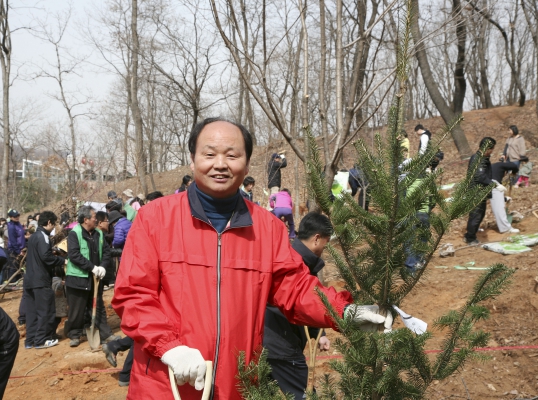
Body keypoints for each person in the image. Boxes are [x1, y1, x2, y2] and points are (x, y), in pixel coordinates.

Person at [112, 117, 389, 399]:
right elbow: (133, 295)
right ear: (193, 160)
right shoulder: (155, 219)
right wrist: (169, 347)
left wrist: (343, 311)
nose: (220, 164)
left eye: (232, 155)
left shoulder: (266, 229)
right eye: (209, 154)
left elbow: (295, 289)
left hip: (239, 385)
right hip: (166, 383)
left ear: (246, 165)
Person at [263, 212, 334, 398]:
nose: (325, 248)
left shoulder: (296, 257)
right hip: (281, 345)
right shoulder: (294, 263)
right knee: (305, 395)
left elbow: (305, 301)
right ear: (317, 239)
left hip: (269, 343)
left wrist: (319, 334)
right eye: (326, 242)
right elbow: (296, 301)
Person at [65, 206, 116, 347]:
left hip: (95, 279)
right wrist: (92, 267)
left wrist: (102, 267)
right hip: (78, 278)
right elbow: (74, 255)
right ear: (86, 219)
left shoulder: (99, 234)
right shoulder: (74, 234)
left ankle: (106, 334)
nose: (96, 219)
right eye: (93, 217)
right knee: (77, 309)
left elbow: (106, 252)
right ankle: (74, 334)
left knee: (98, 306)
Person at [24, 211, 67, 349]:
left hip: (29, 279)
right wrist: (63, 260)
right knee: (45, 311)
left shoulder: (33, 236)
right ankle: (42, 340)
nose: (53, 227)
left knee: (31, 312)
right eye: (53, 224)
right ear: (49, 222)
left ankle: (30, 340)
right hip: (41, 279)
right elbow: (46, 257)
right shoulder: (44, 236)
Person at [464, 137, 498, 245]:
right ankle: (470, 238)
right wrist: (493, 184)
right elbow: (479, 176)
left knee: (480, 214)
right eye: (491, 149)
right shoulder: (478, 158)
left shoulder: (483, 158)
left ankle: (471, 233)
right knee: (476, 215)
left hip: (481, 191)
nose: (492, 151)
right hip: (476, 191)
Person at [490, 161, 520, 234]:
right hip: (493, 183)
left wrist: (504, 199)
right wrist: (514, 172)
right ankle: (505, 228)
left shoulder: (494, 168)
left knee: (481, 210)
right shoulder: (502, 165)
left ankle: (474, 230)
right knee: (499, 208)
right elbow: (514, 165)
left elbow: (494, 199)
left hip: (484, 183)